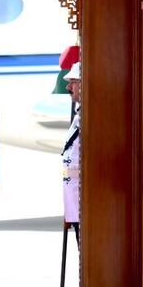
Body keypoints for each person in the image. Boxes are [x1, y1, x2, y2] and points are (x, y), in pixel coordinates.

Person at [62, 62, 81, 237]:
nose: (68, 87)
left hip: (85, 204)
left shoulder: (91, 117)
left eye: (73, 82)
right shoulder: (80, 116)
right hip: (74, 202)